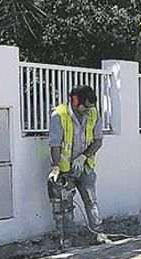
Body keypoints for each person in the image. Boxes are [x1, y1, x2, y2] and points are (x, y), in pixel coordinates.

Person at [48, 85, 106, 242]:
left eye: (91, 106)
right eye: (85, 106)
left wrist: (84, 157)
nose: (88, 110)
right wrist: (56, 167)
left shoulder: (93, 113)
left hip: (85, 167)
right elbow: (55, 144)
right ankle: (68, 241)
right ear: (74, 100)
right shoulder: (59, 115)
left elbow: (98, 141)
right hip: (65, 171)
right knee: (66, 207)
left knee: (91, 201)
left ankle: (98, 234)